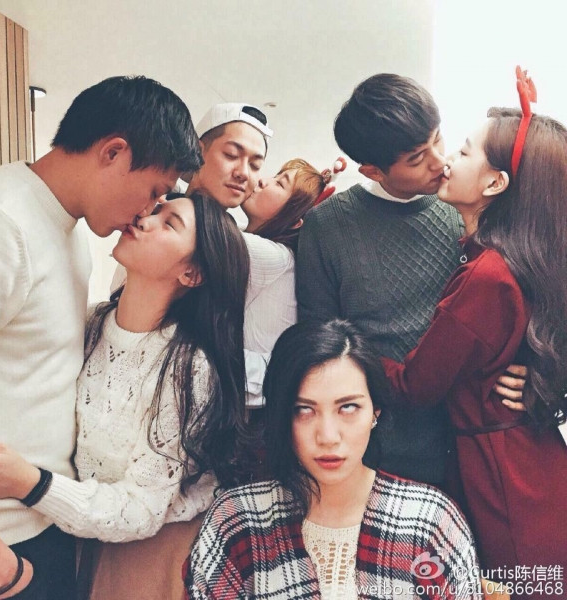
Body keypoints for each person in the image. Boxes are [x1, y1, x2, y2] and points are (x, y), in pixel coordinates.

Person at [0, 76, 201, 598]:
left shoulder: (66, 228)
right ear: (114, 152)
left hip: (44, 526)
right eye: (154, 191)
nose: (148, 210)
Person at [0, 192, 250, 599]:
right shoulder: (93, 323)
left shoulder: (188, 368)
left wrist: (27, 481)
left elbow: (142, 510)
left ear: (191, 273)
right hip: (75, 539)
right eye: (156, 210)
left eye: (169, 223)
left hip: (151, 556)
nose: (145, 219)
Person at [296, 73, 522, 487]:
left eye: (438, 140)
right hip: (379, 450)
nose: (440, 162)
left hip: (470, 443)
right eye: (417, 159)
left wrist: (537, 377)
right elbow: (319, 340)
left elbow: (521, 304)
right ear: (373, 170)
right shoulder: (326, 226)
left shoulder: (466, 205)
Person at [382, 95, 567, 597]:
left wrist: (349, 350)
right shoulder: (516, 259)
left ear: (494, 184)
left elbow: (415, 386)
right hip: (528, 468)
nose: (447, 161)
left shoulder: (489, 276)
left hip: (506, 484)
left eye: (463, 152)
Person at [185, 319, 481, 599]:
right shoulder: (237, 521)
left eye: (348, 407)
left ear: (375, 412)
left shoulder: (430, 521)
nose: (328, 436)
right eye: (304, 410)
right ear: (281, 417)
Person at [239, 158, 331, 406]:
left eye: (280, 183)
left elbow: (203, 226)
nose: (261, 181)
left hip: (255, 392)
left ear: (295, 221)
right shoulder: (255, 242)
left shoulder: (275, 256)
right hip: (245, 384)